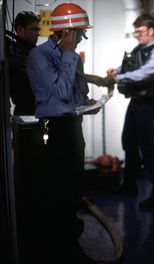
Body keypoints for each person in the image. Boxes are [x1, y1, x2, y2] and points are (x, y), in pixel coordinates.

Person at [26, 3, 99, 263]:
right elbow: (60, 92)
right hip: (52, 132)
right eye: (78, 34)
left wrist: (89, 104)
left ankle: (71, 248)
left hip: (71, 129)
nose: (81, 40)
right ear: (65, 33)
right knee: (55, 194)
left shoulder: (74, 57)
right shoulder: (40, 57)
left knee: (71, 192)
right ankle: (58, 252)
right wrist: (68, 54)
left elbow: (76, 94)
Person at [106, 13, 154, 209]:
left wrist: (119, 78)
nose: (137, 36)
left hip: (149, 103)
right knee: (129, 141)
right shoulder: (141, 48)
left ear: (151, 31)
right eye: (135, 32)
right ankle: (129, 184)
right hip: (135, 102)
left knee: (148, 146)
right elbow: (130, 65)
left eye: (140, 32)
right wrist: (116, 70)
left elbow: (145, 73)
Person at [8, 11, 40, 116]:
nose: (38, 33)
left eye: (38, 29)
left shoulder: (31, 52)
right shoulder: (16, 55)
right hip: (26, 115)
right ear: (20, 30)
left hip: (36, 111)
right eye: (33, 29)